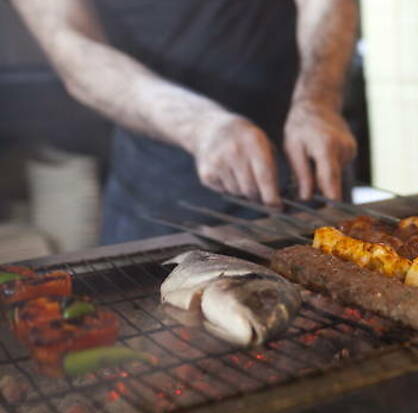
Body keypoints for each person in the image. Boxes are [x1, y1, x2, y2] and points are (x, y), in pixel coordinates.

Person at [10, 0, 358, 244]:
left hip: (308, 170)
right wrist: (200, 125)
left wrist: (318, 99)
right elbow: (71, 45)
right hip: (161, 197)